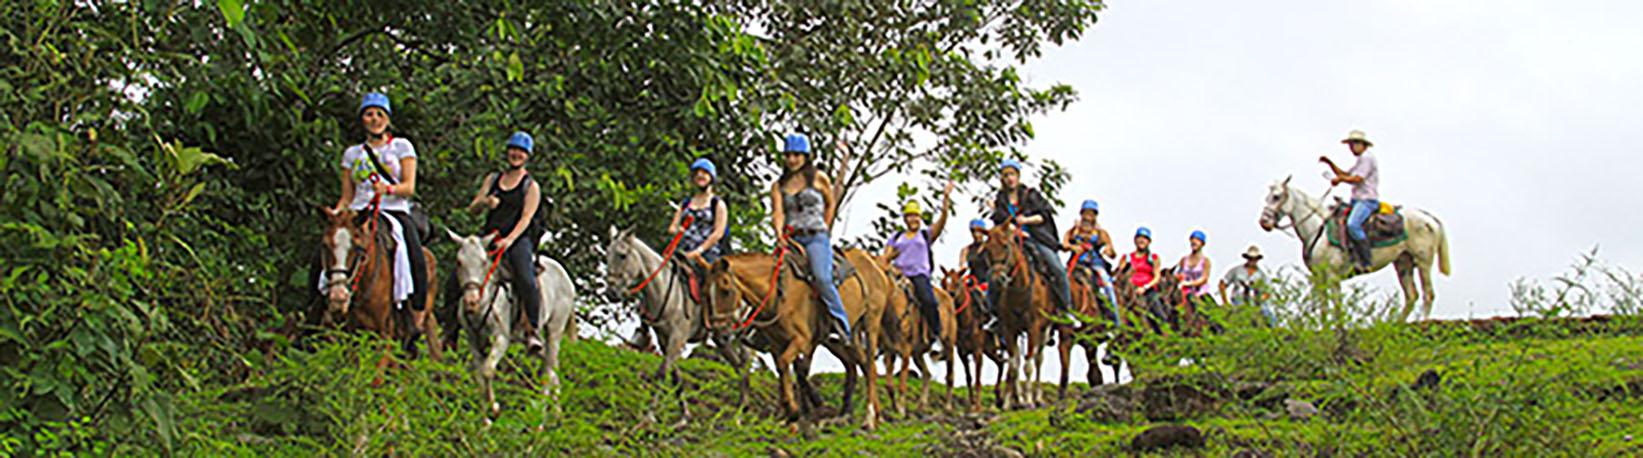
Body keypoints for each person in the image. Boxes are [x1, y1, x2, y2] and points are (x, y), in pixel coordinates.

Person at [331, 92, 428, 316]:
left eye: (379, 114)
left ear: (387, 119)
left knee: (413, 250)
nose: (374, 119)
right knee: (328, 247)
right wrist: (336, 213)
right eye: (369, 114)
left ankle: (416, 307)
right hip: (358, 211)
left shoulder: (401, 147)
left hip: (392, 210)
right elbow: (347, 196)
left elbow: (409, 187)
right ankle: (316, 306)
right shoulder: (352, 154)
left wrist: (389, 189)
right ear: (362, 119)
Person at [463, 131, 546, 350]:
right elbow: (472, 209)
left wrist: (509, 240)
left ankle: (532, 329)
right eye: (513, 150)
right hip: (489, 238)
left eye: (521, 151)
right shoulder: (493, 179)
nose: (516, 155)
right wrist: (485, 202)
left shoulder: (531, 186)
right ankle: (451, 329)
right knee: (461, 273)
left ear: (527, 156)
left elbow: (526, 217)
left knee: (526, 278)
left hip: (517, 239)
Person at [769, 133, 851, 338]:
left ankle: (839, 323)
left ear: (806, 156)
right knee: (770, 275)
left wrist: (825, 227)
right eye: (788, 155)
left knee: (822, 277)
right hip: (791, 239)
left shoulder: (818, 178)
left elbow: (830, 203)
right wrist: (779, 235)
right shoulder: (778, 185)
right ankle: (762, 327)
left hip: (815, 236)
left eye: (797, 155)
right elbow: (778, 212)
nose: (792, 160)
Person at [988, 159, 1073, 319]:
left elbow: (1044, 215)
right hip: (1012, 242)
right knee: (994, 273)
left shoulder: (1031, 194)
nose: (1009, 178)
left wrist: (1026, 221)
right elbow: (999, 222)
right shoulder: (1001, 200)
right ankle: (994, 315)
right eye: (1006, 175)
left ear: (1018, 176)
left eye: (1012, 174)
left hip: (1036, 238)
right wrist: (1013, 230)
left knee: (1057, 269)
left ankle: (1066, 310)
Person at [881, 181, 956, 341]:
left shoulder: (925, 235)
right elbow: (885, 258)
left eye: (916, 215)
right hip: (899, 276)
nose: (913, 219)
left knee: (928, 300)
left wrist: (945, 200)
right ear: (905, 219)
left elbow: (941, 222)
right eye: (909, 216)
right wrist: (889, 266)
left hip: (918, 275)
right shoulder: (896, 237)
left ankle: (935, 333)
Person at [1320, 129, 1380, 270]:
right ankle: (1349, 253)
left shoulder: (1367, 158)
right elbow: (1346, 174)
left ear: (1363, 145)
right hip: (1357, 200)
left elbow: (1357, 179)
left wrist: (1340, 179)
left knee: (1353, 225)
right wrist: (1330, 164)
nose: (1352, 147)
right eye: (1350, 144)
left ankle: (1366, 261)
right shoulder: (1361, 160)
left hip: (1367, 200)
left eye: (1354, 144)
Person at [1063, 199, 1121, 326]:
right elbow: (1064, 244)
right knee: (1059, 280)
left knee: (1107, 285)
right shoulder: (1073, 231)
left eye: (1091, 214)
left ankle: (1114, 320)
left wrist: (1108, 250)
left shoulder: (1101, 233)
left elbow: (1113, 253)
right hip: (1076, 263)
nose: (1088, 217)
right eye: (1086, 213)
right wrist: (1073, 247)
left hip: (1095, 264)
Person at [670, 158, 731, 267]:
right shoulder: (685, 204)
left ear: (711, 177)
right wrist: (677, 231)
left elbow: (718, 233)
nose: (700, 175)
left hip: (707, 257)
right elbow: (672, 227)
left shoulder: (717, 204)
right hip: (682, 254)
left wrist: (699, 251)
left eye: (704, 172)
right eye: (696, 173)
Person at [1116, 227, 1165, 330]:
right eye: (1139, 238)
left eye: (1145, 238)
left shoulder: (1153, 258)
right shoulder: (1126, 257)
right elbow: (1120, 273)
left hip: (1147, 290)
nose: (1142, 240)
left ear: (1149, 242)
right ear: (1135, 240)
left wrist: (1145, 287)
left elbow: (1157, 276)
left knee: (1156, 308)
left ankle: (1162, 330)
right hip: (1129, 289)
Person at [1220, 245, 1275, 327]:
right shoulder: (1236, 270)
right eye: (1250, 258)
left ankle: (1273, 331)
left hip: (1255, 302)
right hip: (1238, 300)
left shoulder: (1261, 275)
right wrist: (1225, 302)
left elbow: (1268, 291)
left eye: (1254, 259)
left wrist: (1260, 299)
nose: (1252, 260)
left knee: (1270, 316)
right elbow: (1222, 284)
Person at [958, 219, 993, 315]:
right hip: (973, 282)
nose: (976, 235)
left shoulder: (989, 247)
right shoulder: (966, 250)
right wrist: (961, 272)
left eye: (979, 232)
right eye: (973, 231)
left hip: (988, 281)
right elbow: (962, 266)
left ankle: (991, 315)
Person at [1175, 230, 1213, 301]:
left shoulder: (1206, 261)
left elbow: (1204, 279)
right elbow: (1178, 273)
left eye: (1198, 240)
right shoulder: (1184, 259)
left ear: (1202, 244)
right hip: (1185, 291)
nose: (1194, 242)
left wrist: (1189, 283)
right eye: (1192, 239)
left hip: (1200, 292)